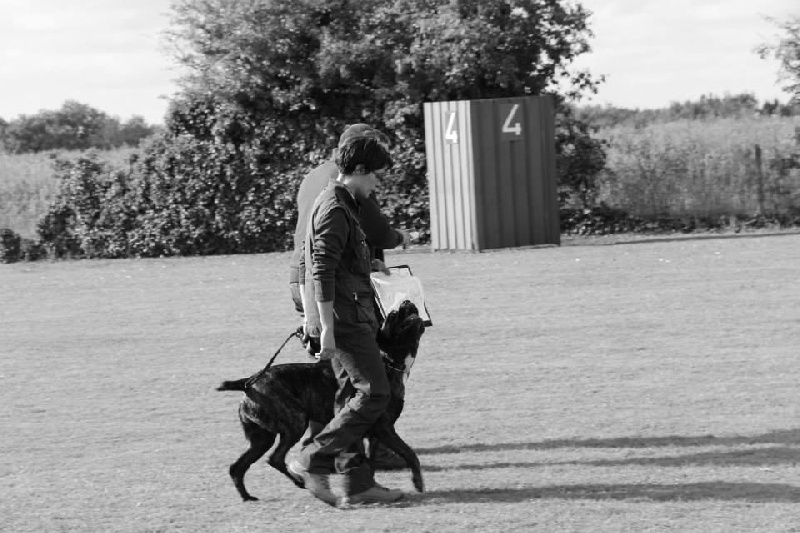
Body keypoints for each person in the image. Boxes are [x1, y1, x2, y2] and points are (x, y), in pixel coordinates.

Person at [287, 136, 405, 506]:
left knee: (350, 396)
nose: (376, 183)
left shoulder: (340, 201)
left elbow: (335, 260)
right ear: (358, 169)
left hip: (346, 312)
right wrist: (324, 327)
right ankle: (310, 459)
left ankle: (357, 484)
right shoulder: (335, 207)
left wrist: (367, 263)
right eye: (375, 175)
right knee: (374, 392)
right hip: (344, 318)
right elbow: (320, 269)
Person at [288, 124, 410, 317]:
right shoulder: (349, 182)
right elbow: (377, 232)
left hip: (299, 276)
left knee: (321, 334)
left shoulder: (313, 175)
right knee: (352, 333)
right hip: (333, 280)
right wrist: (401, 237)